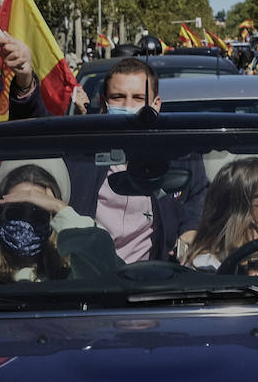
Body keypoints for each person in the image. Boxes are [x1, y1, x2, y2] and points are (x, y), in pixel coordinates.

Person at [68, 56, 209, 263]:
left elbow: (198, 193)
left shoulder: (181, 156)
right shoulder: (81, 158)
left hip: (153, 281)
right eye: (118, 97)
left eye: (138, 98)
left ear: (156, 104)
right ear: (104, 103)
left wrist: (190, 230)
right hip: (89, 280)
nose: (128, 105)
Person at [0, 163, 117, 291]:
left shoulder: (75, 277)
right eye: (16, 211)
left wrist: (60, 209)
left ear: (54, 220)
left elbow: (106, 263)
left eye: (38, 212)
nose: (26, 220)